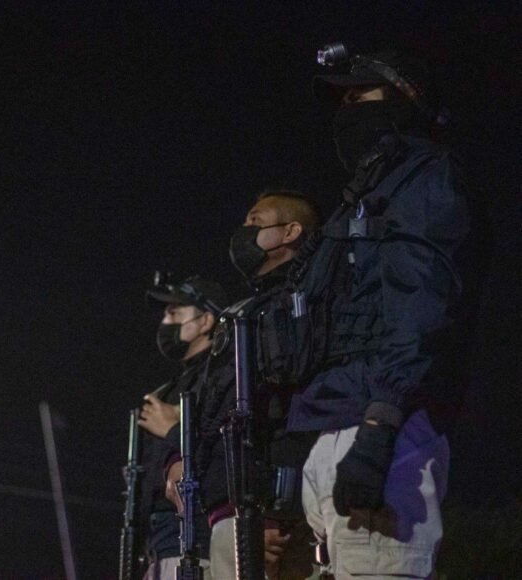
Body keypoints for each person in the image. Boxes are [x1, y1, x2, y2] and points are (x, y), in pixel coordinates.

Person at [284, 47, 470, 578]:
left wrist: (379, 425)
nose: (347, 110)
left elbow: (422, 305)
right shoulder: (369, 192)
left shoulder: (424, 177)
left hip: (382, 425)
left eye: (358, 95)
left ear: (403, 98)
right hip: (338, 425)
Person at [165, 189, 322, 580]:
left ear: (290, 232)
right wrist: (178, 459)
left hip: (263, 512)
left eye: (256, 221)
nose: (244, 230)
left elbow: (292, 407)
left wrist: (277, 508)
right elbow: (217, 407)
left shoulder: (302, 305)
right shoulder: (249, 312)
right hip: (229, 509)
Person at [136, 275, 229, 579]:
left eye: (174, 312)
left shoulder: (222, 378)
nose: (166, 321)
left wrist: (173, 429)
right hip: (158, 545)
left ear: (205, 321)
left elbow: (223, 452)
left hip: (196, 539)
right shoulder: (172, 387)